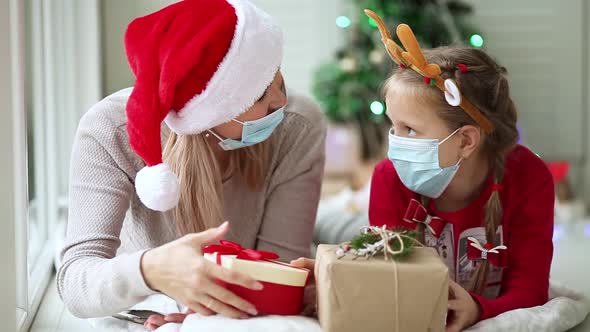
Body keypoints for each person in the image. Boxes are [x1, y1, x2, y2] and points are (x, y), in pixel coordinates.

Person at [57, 0, 326, 327]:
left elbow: (282, 274)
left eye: (276, 75)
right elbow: (74, 282)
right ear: (211, 110)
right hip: (148, 305)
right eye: (257, 95)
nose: (281, 100)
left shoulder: (296, 126)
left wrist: (199, 314)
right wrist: (152, 270)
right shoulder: (107, 131)